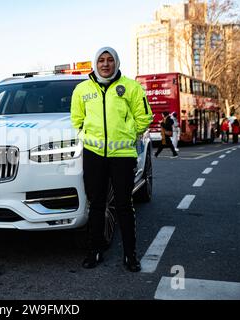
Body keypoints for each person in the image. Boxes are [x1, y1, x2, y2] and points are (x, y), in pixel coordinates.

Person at [71, 47, 153, 272]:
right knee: (96, 205)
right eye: (101, 60)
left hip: (122, 156)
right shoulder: (82, 90)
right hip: (94, 155)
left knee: (125, 205)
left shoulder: (131, 87)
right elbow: (77, 119)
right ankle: (94, 251)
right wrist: (85, 135)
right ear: (95, 64)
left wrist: (129, 134)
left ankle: (130, 255)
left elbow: (145, 116)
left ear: (116, 63)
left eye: (109, 60)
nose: (105, 64)